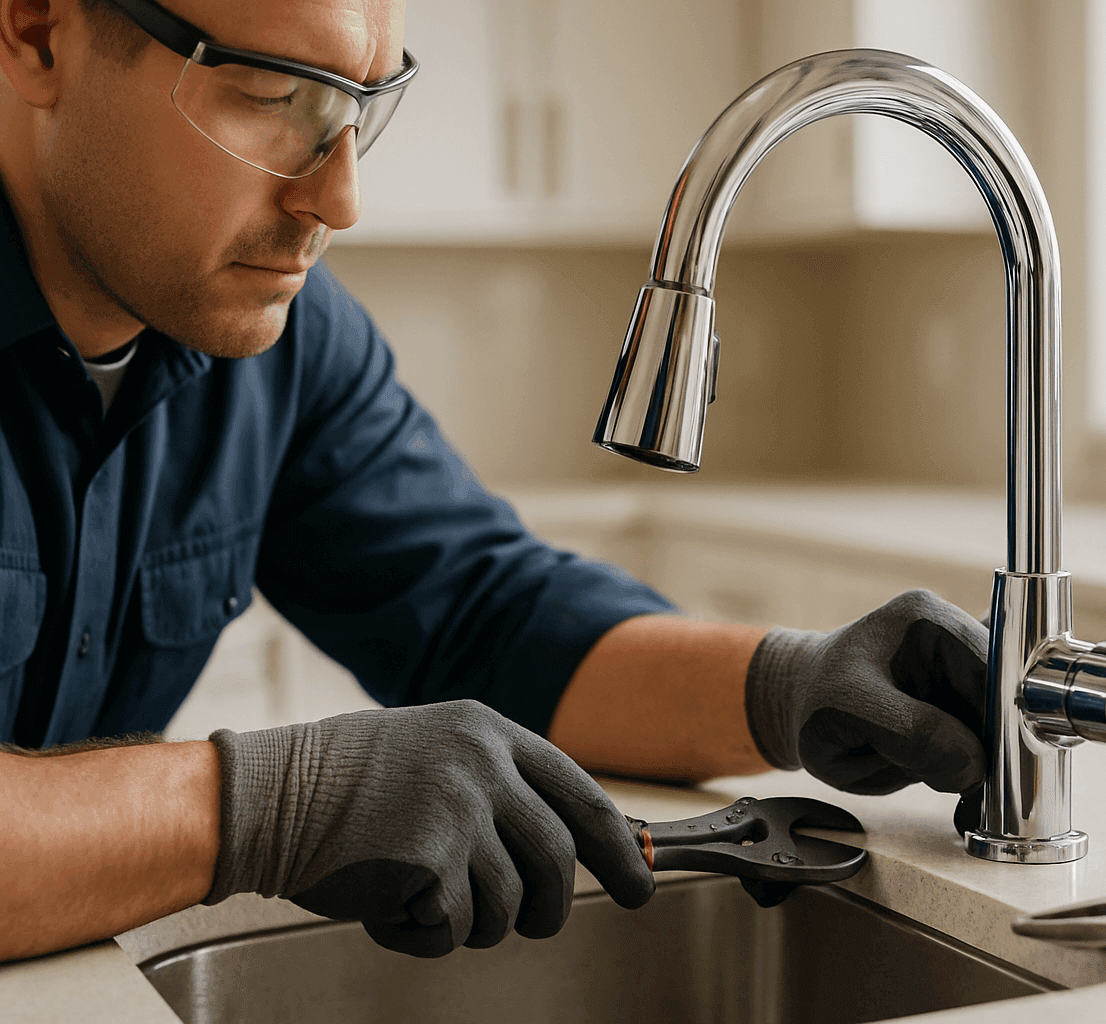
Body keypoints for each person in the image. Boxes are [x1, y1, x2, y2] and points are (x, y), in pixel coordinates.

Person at [0, 0, 990, 963]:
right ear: (41, 30)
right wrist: (277, 803)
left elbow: (489, 615)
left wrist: (786, 683)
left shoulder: (285, 343)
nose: (340, 200)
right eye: (269, 96)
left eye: (356, 109)